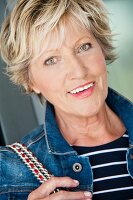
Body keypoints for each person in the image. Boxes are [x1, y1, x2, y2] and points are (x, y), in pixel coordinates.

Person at [0, 0, 133, 199]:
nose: (79, 71)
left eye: (84, 47)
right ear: (30, 81)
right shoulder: (8, 171)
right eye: (51, 60)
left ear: (102, 48)